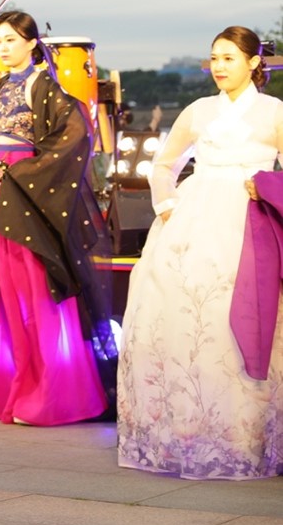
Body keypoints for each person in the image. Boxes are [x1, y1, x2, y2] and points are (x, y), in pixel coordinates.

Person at [117, 26, 283, 479]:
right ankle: (191, 429)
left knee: (244, 314)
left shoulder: (274, 113)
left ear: (253, 62)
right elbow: (164, 163)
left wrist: (266, 186)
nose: (220, 67)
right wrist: (168, 206)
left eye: (229, 58)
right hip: (195, 216)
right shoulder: (199, 110)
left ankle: (248, 435)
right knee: (188, 318)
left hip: (252, 218)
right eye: (214, 58)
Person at [0, 11, 108, 426]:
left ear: (32, 43)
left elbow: (76, 136)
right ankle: (14, 387)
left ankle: (53, 393)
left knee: (37, 290)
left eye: (11, 39)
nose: (3, 47)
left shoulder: (46, 86)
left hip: (28, 192)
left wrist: (24, 174)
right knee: (7, 293)